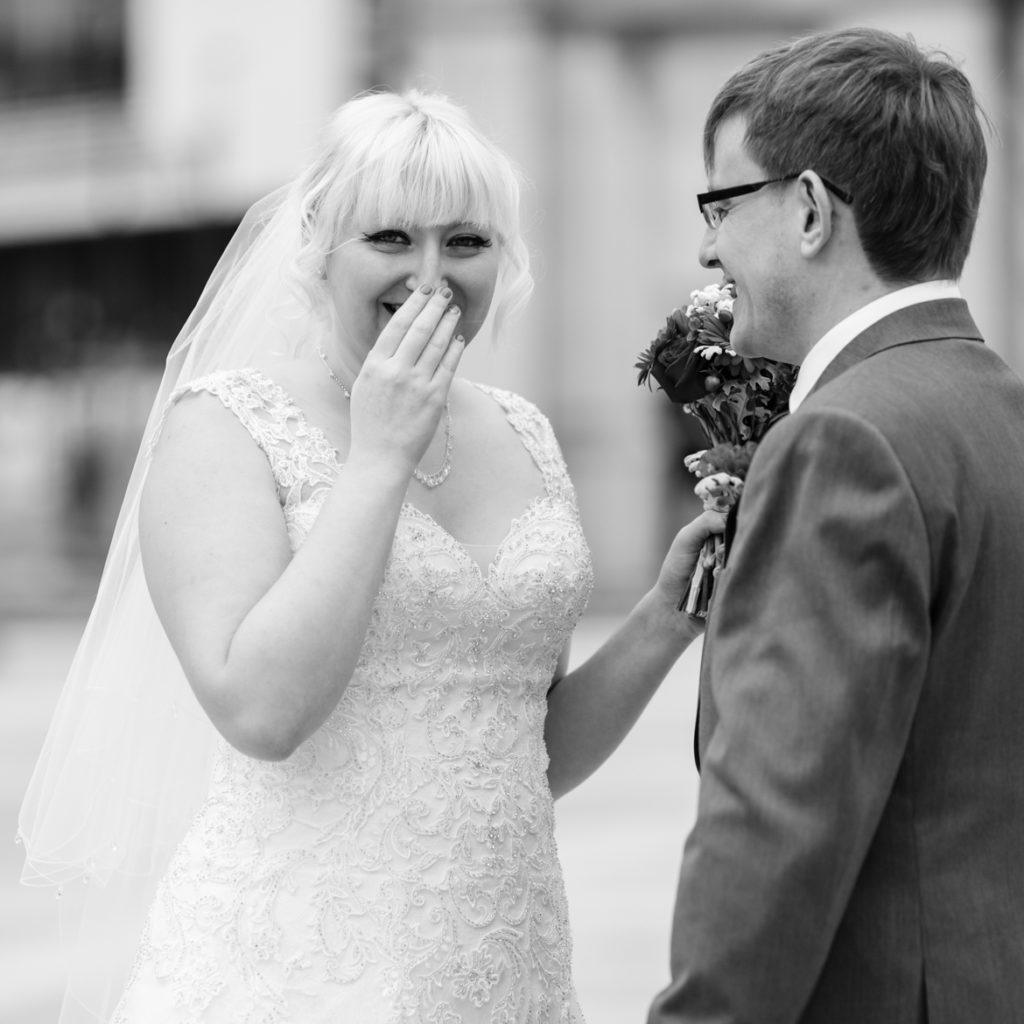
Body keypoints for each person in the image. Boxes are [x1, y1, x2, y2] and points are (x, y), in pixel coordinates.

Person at [19, 88, 718, 1024]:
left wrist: (668, 617)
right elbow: (262, 711)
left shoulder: (526, 433)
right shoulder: (226, 428)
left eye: (465, 242)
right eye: (391, 238)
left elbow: (523, 750)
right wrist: (379, 456)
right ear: (318, 245)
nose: (431, 274)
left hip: (501, 967)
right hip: (298, 968)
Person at [649, 26, 1024, 1024]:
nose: (704, 246)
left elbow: (777, 824)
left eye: (719, 203)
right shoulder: (999, 411)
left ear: (809, 209)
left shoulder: (841, 443)